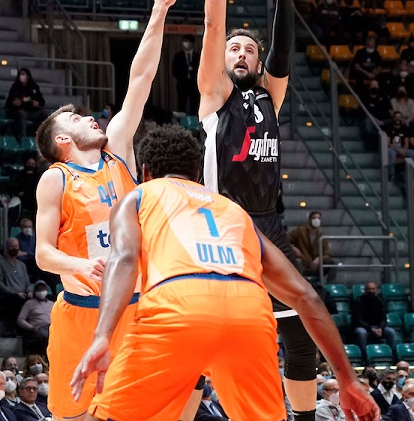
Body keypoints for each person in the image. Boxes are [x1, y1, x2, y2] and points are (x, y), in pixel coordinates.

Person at [69, 125, 380, 421]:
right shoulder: (234, 210)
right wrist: (348, 379)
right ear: (197, 173)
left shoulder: (138, 196)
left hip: (179, 303)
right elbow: (305, 296)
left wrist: (102, 336)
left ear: (146, 172)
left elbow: (123, 260)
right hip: (249, 312)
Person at [33, 0, 184, 420]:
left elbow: (140, 80)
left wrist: (158, 11)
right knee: (72, 415)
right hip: (79, 310)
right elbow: (43, 255)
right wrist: (83, 264)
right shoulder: (56, 178)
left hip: (134, 307)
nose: (90, 118)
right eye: (77, 119)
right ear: (62, 141)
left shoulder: (118, 152)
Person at [197, 0, 325, 421]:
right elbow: (213, 24)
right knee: (206, 342)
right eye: (235, 48)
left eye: (249, 48)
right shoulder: (214, 96)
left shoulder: (270, 96)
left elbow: (283, 55)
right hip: (222, 229)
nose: (242, 53)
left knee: (302, 338)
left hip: (270, 228)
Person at [289, 211, 334, 277]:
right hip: (303, 261)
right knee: (297, 261)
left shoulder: (321, 235)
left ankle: (330, 282)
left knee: (332, 262)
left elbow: (327, 253)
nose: (316, 220)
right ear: (310, 219)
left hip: (316, 265)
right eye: (314, 218)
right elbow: (285, 240)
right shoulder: (300, 230)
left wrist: (319, 258)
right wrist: (293, 248)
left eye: (318, 218)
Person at [6, 68, 47, 139]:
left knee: (44, 113)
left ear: (28, 76)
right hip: (20, 111)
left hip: (32, 111)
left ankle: (40, 137)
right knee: (21, 113)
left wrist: (37, 103)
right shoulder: (15, 87)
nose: (21, 76)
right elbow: (8, 103)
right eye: (20, 74)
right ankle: (23, 138)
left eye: (23, 74)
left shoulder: (34, 86)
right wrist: (13, 103)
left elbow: (42, 102)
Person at [17, 281, 53, 354]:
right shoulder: (29, 303)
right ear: (35, 291)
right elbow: (20, 320)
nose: (42, 291)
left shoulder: (52, 304)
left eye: (43, 289)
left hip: (53, 327)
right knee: (47, 337)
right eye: (39, 289)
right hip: (39, 328)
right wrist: (31, 327)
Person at [172, 34, 200, 115]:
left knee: (194, 104)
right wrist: (182, 78)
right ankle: (181, 121)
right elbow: (174, 70)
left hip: (194, 84)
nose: (185, 43)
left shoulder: (197, 56)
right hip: (182, 84)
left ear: (192, 43)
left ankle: (194, 120)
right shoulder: (178, 55)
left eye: (187, 41)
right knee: (181, 103)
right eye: (184, 41)